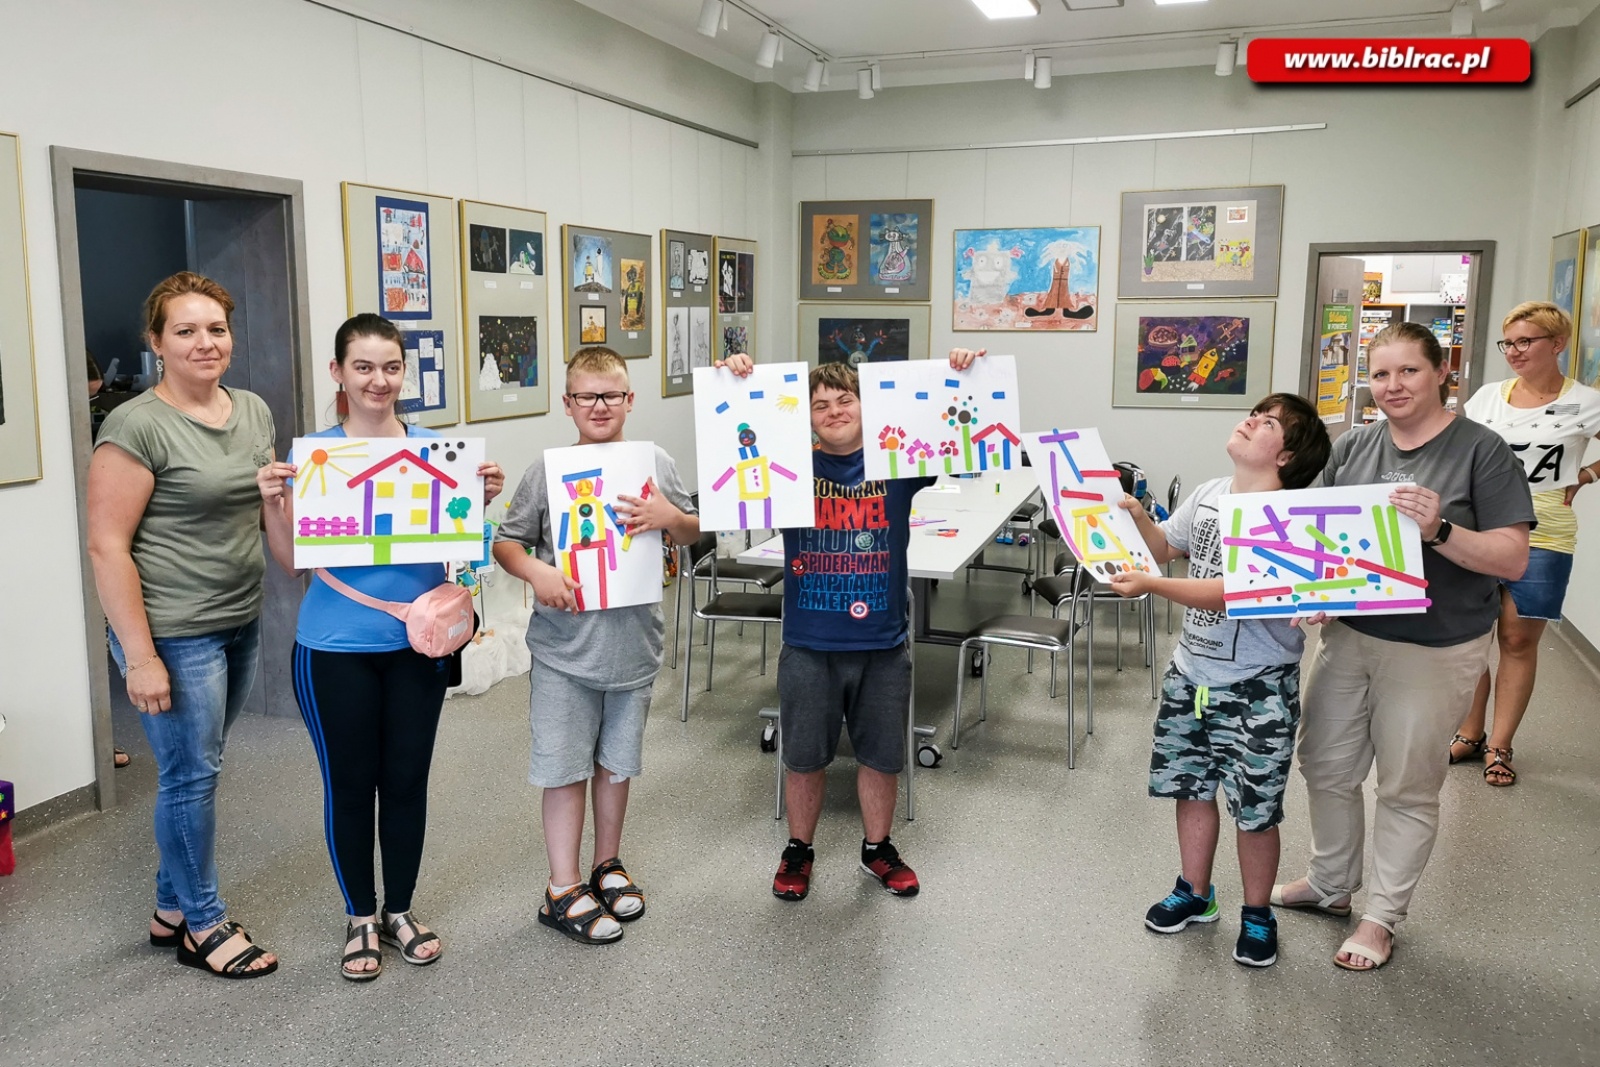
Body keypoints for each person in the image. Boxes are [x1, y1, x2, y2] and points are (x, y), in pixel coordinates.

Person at [1274, 321, 1534, 971]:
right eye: (1381, 373)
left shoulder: (1482, 450)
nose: (1392, 386)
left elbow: (1513, 557)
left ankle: (1381, 916)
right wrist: (1315, 591)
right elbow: (1327, 540)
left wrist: (1440, 527)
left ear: (1442, 370)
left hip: (1436, 647)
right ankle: (1332, 885)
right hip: (1351, 636)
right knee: (1325, 764)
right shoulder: (1354, 447)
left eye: (1408, 371)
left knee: (1407, 786)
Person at [257, 314, 504, 980]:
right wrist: (274, 505)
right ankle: (359, 915)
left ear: (405, 372)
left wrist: (479, 503)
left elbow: (463, 554)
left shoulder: (436, 452)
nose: (378, 379)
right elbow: (291, 565)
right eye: (362, 366)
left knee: (405, 779)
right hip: (333, 647)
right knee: (350, 782)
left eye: (391, 366)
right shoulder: (316, 458)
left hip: (418, 646)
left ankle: (399, 909)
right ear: (338, 372)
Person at [86, 272, 279, 979]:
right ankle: (203, 921)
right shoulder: (135, 424)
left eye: (217, 328)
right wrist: (139, 656)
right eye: (186, 330)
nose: (205, 342)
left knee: (198, 770)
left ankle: (169, 909)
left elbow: (268, 515)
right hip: (171, 629)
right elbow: (107, 545)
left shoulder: (252, 410)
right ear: (157, 341)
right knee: (189, 776)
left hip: (238, 618)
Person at [1110, 394, 1331, 968]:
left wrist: (1151, 587)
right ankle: (1195, 891)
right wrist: (1140, 520)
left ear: (1286, 455)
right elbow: (1166, 551)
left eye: (1269, 423)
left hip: (1257, 687)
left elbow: (1232, 593)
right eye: (1255, 412)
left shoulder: (1286, 514)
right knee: (1190, 788)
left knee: (1255, 810)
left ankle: (1257, 912)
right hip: (1190, 675)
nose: (1252, 419)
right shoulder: (1210, 494)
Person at [760, 348, 985, 904]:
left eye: (845, 400)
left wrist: (961, 373)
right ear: (805, 418)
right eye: (819, 405)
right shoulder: (789, 468)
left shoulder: (899, 464)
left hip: (883, 642)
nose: (833, 411)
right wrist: (741, 376)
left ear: (867, 408)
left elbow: (963, 434)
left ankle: (877, 848)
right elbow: (738, 439)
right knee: (804, 756)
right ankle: (799, 848)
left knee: (882, 755)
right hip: (808, 643)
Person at [492, 347, 699, 945]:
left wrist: (668, 516)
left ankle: (606, 864)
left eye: (612, 394)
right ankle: (562, 887)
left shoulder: (653, 461)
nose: (600, 406)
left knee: (616, 764)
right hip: (565, 651)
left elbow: (690, 527)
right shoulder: (548, 469)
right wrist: (538, 574)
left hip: (634, 648)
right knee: (563, 768)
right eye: (587, 396)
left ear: (631, 400)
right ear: (568, 405)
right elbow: (509, 542)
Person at [1454, 302, 1600, 786]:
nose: (1514, 352)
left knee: (1517, 639)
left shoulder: (1585, 401)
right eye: (1509, 343)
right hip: (1480, 528)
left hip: (1547, 528)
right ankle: (1469, 733)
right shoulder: (1487, 399)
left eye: (1526, 341)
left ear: (1556, 345)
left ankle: (1500, 744)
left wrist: (1587, 474)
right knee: (1473, 638)